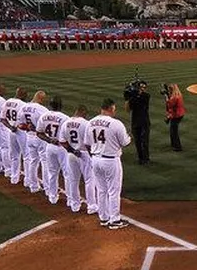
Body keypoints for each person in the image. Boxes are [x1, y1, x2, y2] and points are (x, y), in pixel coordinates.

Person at [87, 97, 132, 229]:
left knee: (101, 190)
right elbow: (125, 142)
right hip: (110, 160)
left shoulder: (91, 122)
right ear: (111, 108)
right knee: (113, 191)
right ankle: (115, 220)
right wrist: (130, 137)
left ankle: (104, 218)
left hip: (95, 159)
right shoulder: (116, 123)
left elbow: (87, 143)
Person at [60, 105, 97, 214]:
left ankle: (74, 205)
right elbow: (89, 143)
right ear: (83, 112)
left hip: (71, 154)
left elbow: (62, 141)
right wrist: (91, 155)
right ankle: (91, 206)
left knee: (73, 180)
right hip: (84, 154)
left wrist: (72, 150)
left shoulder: (66, 123)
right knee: (89, 180)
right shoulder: (86, 124)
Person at [37, 95, 69, 205]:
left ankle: (52, 197)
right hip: (62, 148)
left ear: (50, 105)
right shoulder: (65, 118)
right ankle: (70, 199)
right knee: (67, 173)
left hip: (49, 147)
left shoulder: (44, 116)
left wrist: (50, 140)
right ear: (61, 105)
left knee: (52, 173)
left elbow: (39, 133)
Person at [125, 82, 151, 164]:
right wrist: (127, 99)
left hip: (144, 122)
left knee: (144, 141)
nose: (142, 88)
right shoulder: (133, 97)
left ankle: (146, 158)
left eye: (144, 87)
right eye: (141, 87)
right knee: (137, 141)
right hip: (135, 122)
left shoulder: (146, 96)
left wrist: (134, 94)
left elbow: (142, 97)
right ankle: (140, 158)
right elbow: (128, 110)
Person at [164, 84, 185, 151]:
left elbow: (170, 105)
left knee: (174, 131)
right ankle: (174, 144)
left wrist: (166, 97)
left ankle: (177, 146)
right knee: (173, 130)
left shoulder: (175, 97)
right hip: (179, 114)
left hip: (176, 115)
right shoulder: (179, 95)